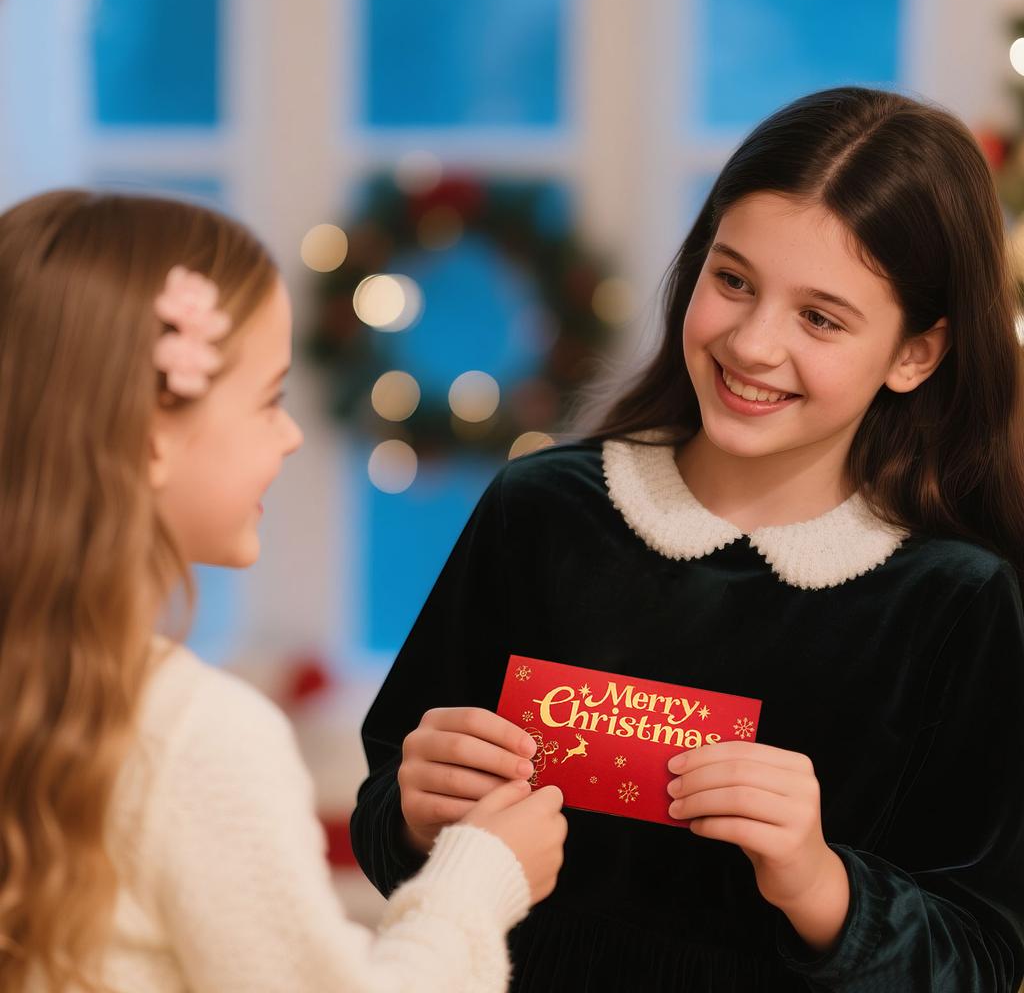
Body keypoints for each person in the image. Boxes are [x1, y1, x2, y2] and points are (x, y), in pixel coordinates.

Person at [350, 86, 1024, 991]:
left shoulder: (959, 600)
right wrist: (411, 816)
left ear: (916, 354)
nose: (753, 344)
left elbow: (980, 962)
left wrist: (821, 883)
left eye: (820, 318)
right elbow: (393, 825)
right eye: (733, 280)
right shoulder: (540, 510)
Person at [0, 189, 567, 993]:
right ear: (153, 435)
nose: (293, 434)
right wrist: (480, 879)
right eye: (269, 400)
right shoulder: (198, 738)